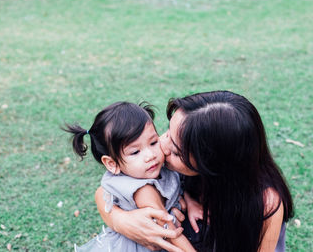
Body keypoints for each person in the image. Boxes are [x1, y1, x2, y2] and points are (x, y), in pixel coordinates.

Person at [95, 91, 294, 252]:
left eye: (175, 151)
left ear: (212, 165)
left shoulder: (265, 202)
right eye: (166, 133)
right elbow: (105, 192)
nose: (161, 149)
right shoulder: (159, 161)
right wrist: (121, 221)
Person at [63, 102, 196, 252]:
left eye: (153, 142)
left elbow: (177, 185)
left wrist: (190, 201)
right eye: (135, 152)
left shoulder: (154, 168)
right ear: (112, 164)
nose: (150, 155)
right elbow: (171, 233)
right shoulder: (143, 189)